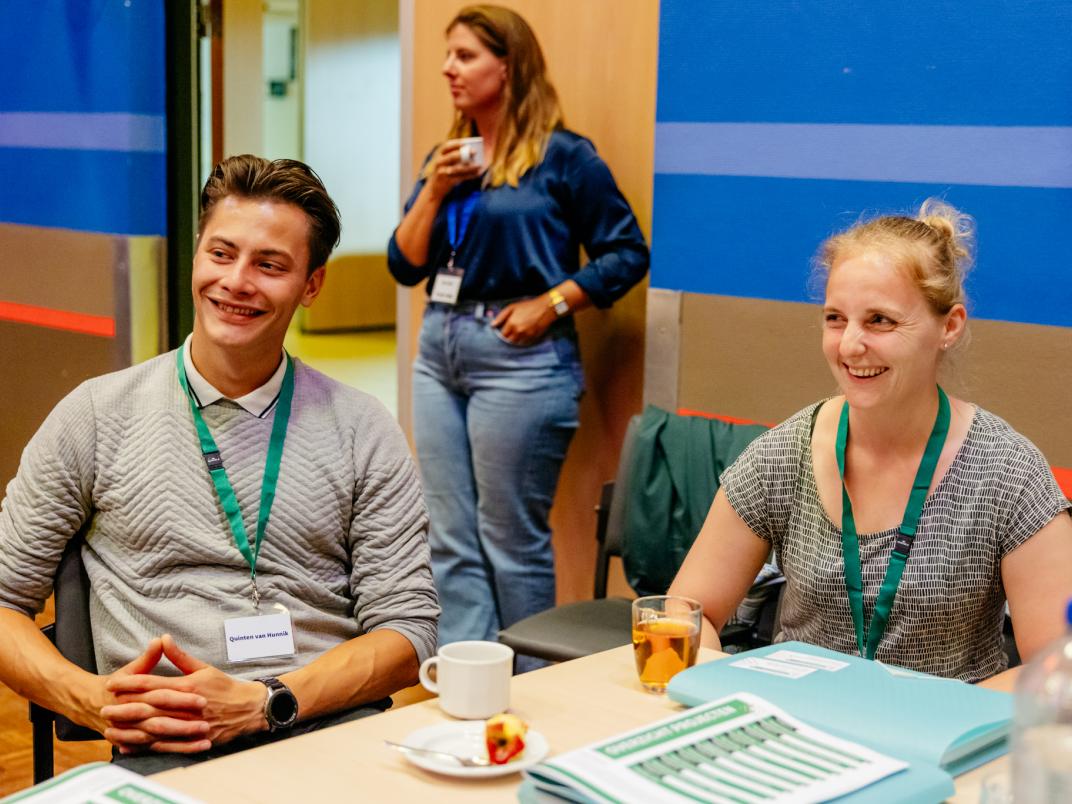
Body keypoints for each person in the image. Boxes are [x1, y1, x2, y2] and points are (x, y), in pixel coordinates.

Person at [0, 155, 439, 772]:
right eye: (221, 253)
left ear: (311, 285)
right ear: (196, 256)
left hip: (330, 727)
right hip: (172, 747)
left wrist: (269, 703)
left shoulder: (363, 429)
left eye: (270, 264)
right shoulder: (95, 416)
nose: (236, 281)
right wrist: (91, 700)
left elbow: (408, 630)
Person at [669, 200, 1072, 683]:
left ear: (949, 325)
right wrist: (731, 695)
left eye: (880, 320)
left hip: (944, 745)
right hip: (801, 733)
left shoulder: (1008, 473)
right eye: (836, 318)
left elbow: (1056, 671)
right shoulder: (784, 455)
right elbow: (684, 613)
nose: (849, 345)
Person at [387, 4, 649, 665]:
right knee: (449, 535)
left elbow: (626, 252)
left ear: (508, 66)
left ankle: (533, 682)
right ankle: (467, 673)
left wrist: (552, 303)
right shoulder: (448, 160)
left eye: (465, 55)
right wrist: (434, 189)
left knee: (509, 538)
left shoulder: (565, 158)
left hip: (520, 359)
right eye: (446, 55)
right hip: (439, 346)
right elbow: (404, 262)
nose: (449, 68)